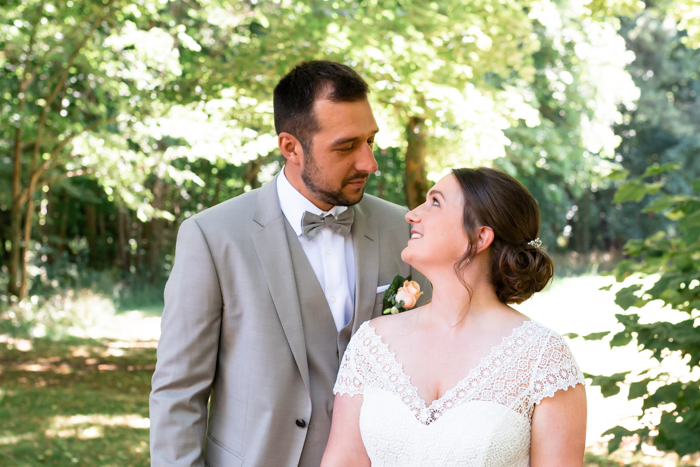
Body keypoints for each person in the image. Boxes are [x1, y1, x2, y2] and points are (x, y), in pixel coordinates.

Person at [148, 60, 430, 467]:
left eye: (370, 141)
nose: (369, 162)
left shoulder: (401, 228)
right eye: (346, 146)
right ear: (291, 147)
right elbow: (179, 392)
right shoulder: (212, 237)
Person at [322, 167, 587, 467]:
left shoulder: (543, 358)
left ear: (480, 237)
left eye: (435, 202)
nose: (411, 214)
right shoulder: (372, 342)